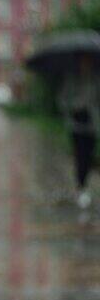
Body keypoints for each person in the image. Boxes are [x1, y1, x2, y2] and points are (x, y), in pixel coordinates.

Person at [59, 54, 100, 209]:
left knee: (88, 156)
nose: (85, 65)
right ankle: (81, 186)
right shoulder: (72, 79)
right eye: (83, 62)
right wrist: (71, 108)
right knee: (79, 155)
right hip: (76, 122)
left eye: (87, 62)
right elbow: (63, 98)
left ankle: (85, 183)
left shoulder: (95, 79)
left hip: (91, 122)